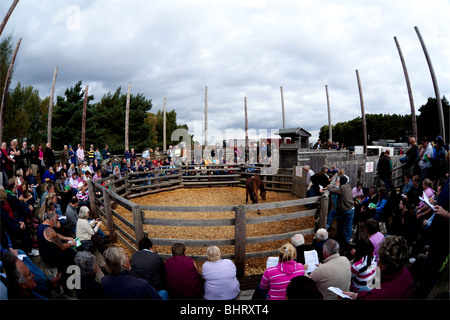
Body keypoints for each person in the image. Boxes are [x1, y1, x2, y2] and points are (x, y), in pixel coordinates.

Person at [344, 235, 414, 300]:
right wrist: (357, 296)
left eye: (379, 259)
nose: (377, 262)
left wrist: (358, 296)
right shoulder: (407, 273)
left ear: (383, 266)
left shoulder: (377, 296)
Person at [36, 211, 77, 293]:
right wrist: (71, 244)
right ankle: (67, 287)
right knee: (70, 260)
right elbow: (62, 247)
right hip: (51, 258)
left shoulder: (43, 225)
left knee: (72, 254)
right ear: (52, 220)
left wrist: (68, 238)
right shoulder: (50, 232)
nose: (58, 222)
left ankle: (67, 277)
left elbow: (56, 235)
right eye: (57, 220)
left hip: (46, 253)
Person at [323, 175, 355, 245]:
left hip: (345, 210)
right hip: (351, 209)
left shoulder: (341, 188)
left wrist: (329, 186)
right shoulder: (348, 186)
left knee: (332, 213)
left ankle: (326, 228)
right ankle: (347, 240)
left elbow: (331, 190)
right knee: (349, 225)